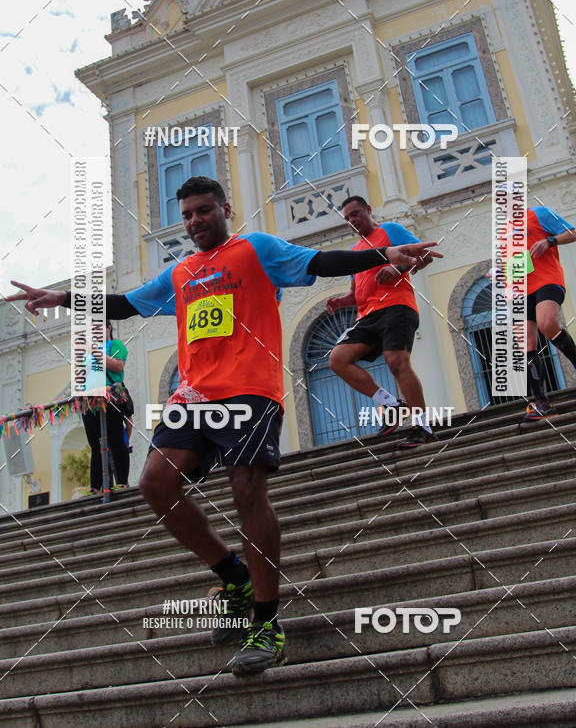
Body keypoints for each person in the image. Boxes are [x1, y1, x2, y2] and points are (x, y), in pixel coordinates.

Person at [8, 175, 442, 677]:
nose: (194, 221)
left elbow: (319, 262)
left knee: (246, 489)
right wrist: (61, 299)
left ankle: (265, 623)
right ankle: (231, 574)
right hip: (193, 394)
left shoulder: (255, 249)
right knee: (154, 483)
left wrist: (382, 257)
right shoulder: (181, 272)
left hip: (251, 389)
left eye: (203, 211)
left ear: (225, 208)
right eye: (187, 214)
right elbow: (124, 303)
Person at [325, 196, 437, 447]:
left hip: (397, 307)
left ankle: (423, 426)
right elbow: (357, 293)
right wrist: (341, 301)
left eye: (355, 214)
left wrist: (398, 269)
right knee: (338, 359)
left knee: (396, 361)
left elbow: (426, 255)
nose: (352, 221)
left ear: (368, 209)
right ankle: (391, 404)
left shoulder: (390, 230)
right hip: (368, 316)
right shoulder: (355, 252)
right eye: (347, 219)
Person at [500, 200, 576, 420]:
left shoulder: (539, 213)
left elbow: (572, 234)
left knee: (547, 325)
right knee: (525, 343)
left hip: (547, 280)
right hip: (519, 288)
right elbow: (515, 262)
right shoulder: (504, 232)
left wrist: (550, 241)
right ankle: (542, 402)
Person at [81, 321, 130, 493]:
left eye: (98, 327)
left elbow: (117, 365)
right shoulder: (87, 351)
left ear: (109, 327)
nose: (94, 331)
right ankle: (95, 487)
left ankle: (122, 482)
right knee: (95, 445)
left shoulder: (115, 345)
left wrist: (94, 351)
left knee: (116, 440)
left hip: (111, 398)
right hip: (91, 401)